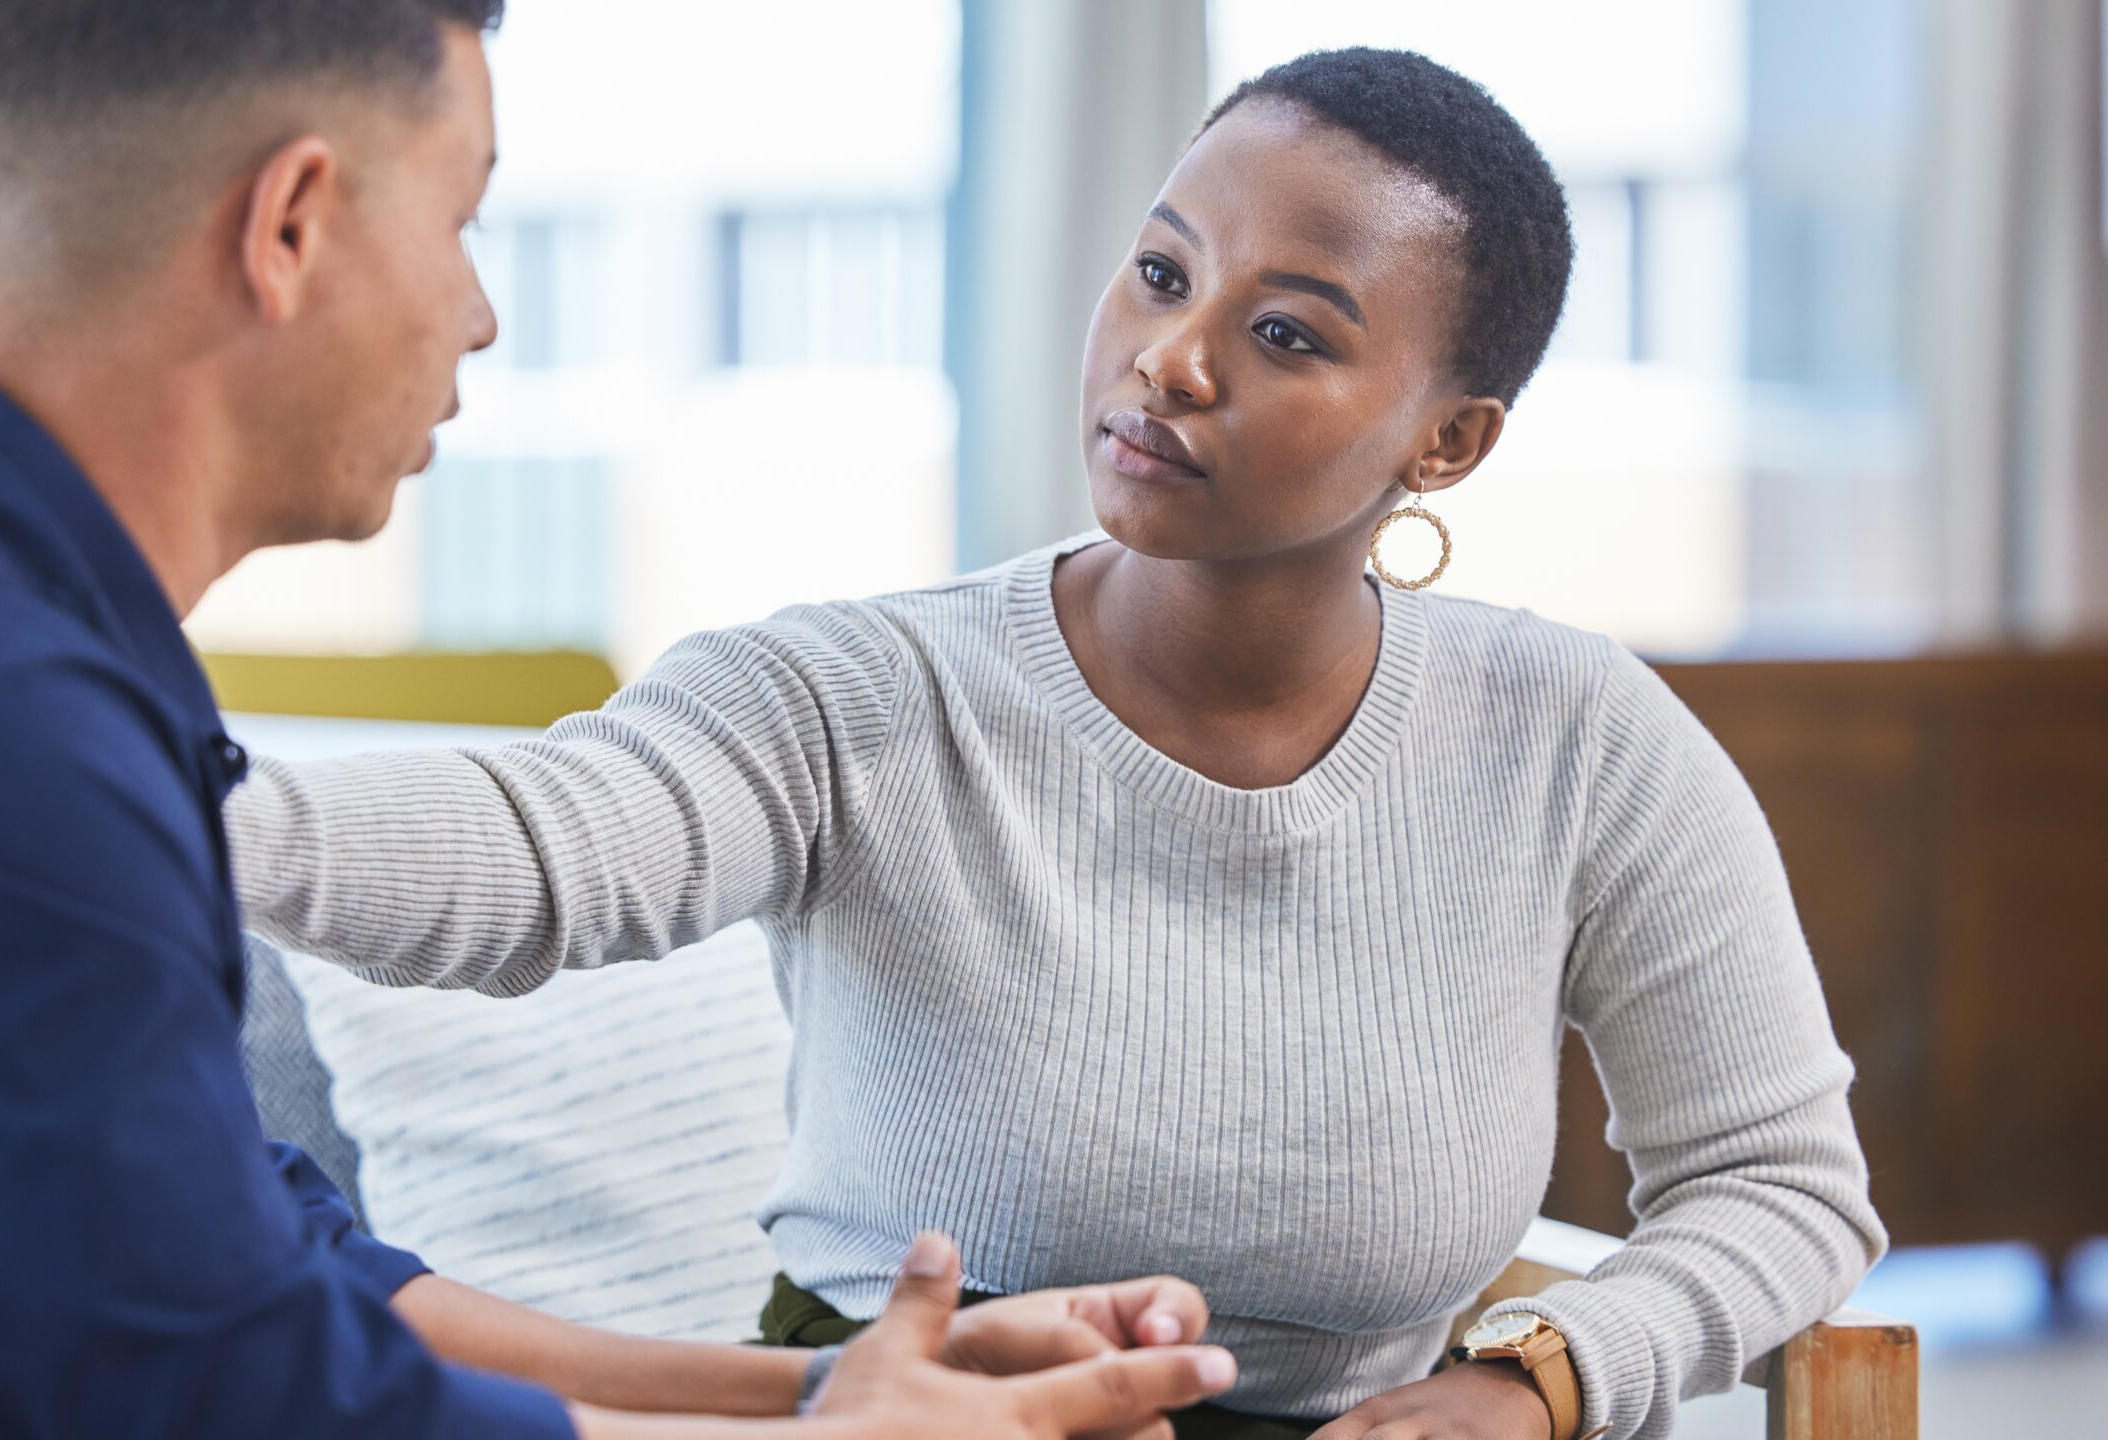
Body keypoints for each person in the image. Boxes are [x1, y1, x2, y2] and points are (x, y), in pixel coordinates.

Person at [0, 2, 1245, 1436]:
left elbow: (281, 1276)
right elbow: (251, 1401)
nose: (479, 313)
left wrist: (822, 1393)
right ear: (288, 225)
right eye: (460, 219)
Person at [231, 47, 1889, 1440]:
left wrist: (1543, 1380)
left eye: (1288, 332)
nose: (1170, 357)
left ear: (1447, 441)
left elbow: (1786, 1186)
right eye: (1164, 273)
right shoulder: (850, 695)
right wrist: (159, 798)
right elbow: (546, 848)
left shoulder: (1582, 744)